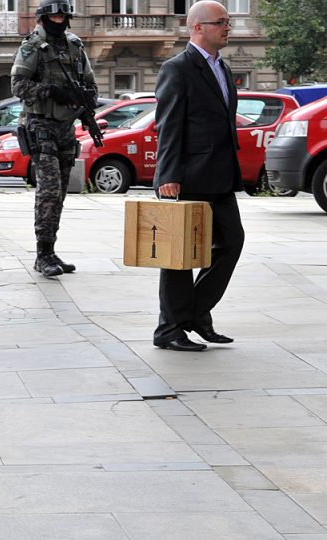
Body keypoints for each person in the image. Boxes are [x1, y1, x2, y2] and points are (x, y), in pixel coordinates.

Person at [152, 0, 244, 352]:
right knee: (179, 256)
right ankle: (170, 330)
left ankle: (195, 314)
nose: (227, 27)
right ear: (198, 28)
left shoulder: (222, 67)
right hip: (187, 176)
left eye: (228, 21)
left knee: (231, 243)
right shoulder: (178, 68)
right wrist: (168, 174)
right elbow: (169, 125)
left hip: (220, 176)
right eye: (220, 22)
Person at [10, 0, 97, 278]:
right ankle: (42, 254)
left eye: (63, 16)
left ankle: (51, 250)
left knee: (60, 193)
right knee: (48, 191)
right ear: (44, 18)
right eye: (55, 16)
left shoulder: (75, 45)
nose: (59, 20)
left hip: (65, 128)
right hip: (40, 125)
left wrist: (85, 99)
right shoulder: (33, 46)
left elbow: (91, 83)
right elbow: (18, 86)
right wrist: (51, 91)